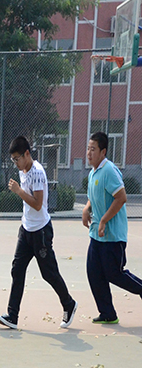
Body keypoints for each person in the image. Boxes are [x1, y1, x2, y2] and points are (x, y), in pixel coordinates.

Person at [0, 136, 77, 330]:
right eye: (13, 160)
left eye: (17, 159)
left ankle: (69, 304)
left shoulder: (37, 172)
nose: (16, 163)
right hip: (26, 230)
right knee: (17, 270)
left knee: (49, 274)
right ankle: (12, 316)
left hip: (41, 232)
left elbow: (38, 205)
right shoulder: (23, 171)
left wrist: (19, 191)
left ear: (27, 154)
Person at [82, 131, 142, 324]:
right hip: (97, 235)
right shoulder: (93, 172)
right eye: (88, 149)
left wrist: (104, 220)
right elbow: (93, 196)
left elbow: (121, 197)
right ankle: (108, 313)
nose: (89, 153)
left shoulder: (109, 171)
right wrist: (86, 208)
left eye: (93, 149)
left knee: (114, 274)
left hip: (113, 237)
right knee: (94, 273)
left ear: (103, 152)